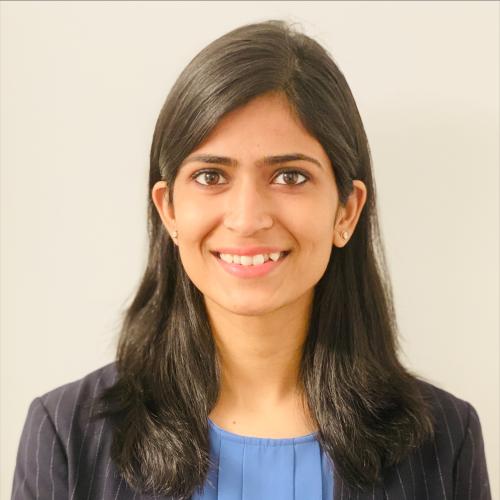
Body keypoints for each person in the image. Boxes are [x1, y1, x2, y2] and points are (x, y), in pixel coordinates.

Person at [11, 19, 491, 500]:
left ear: (346, 211)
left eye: (290, 176)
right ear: (168, 210)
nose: (246, 219)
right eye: (210, 176)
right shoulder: (66, 436)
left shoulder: (447, 440)